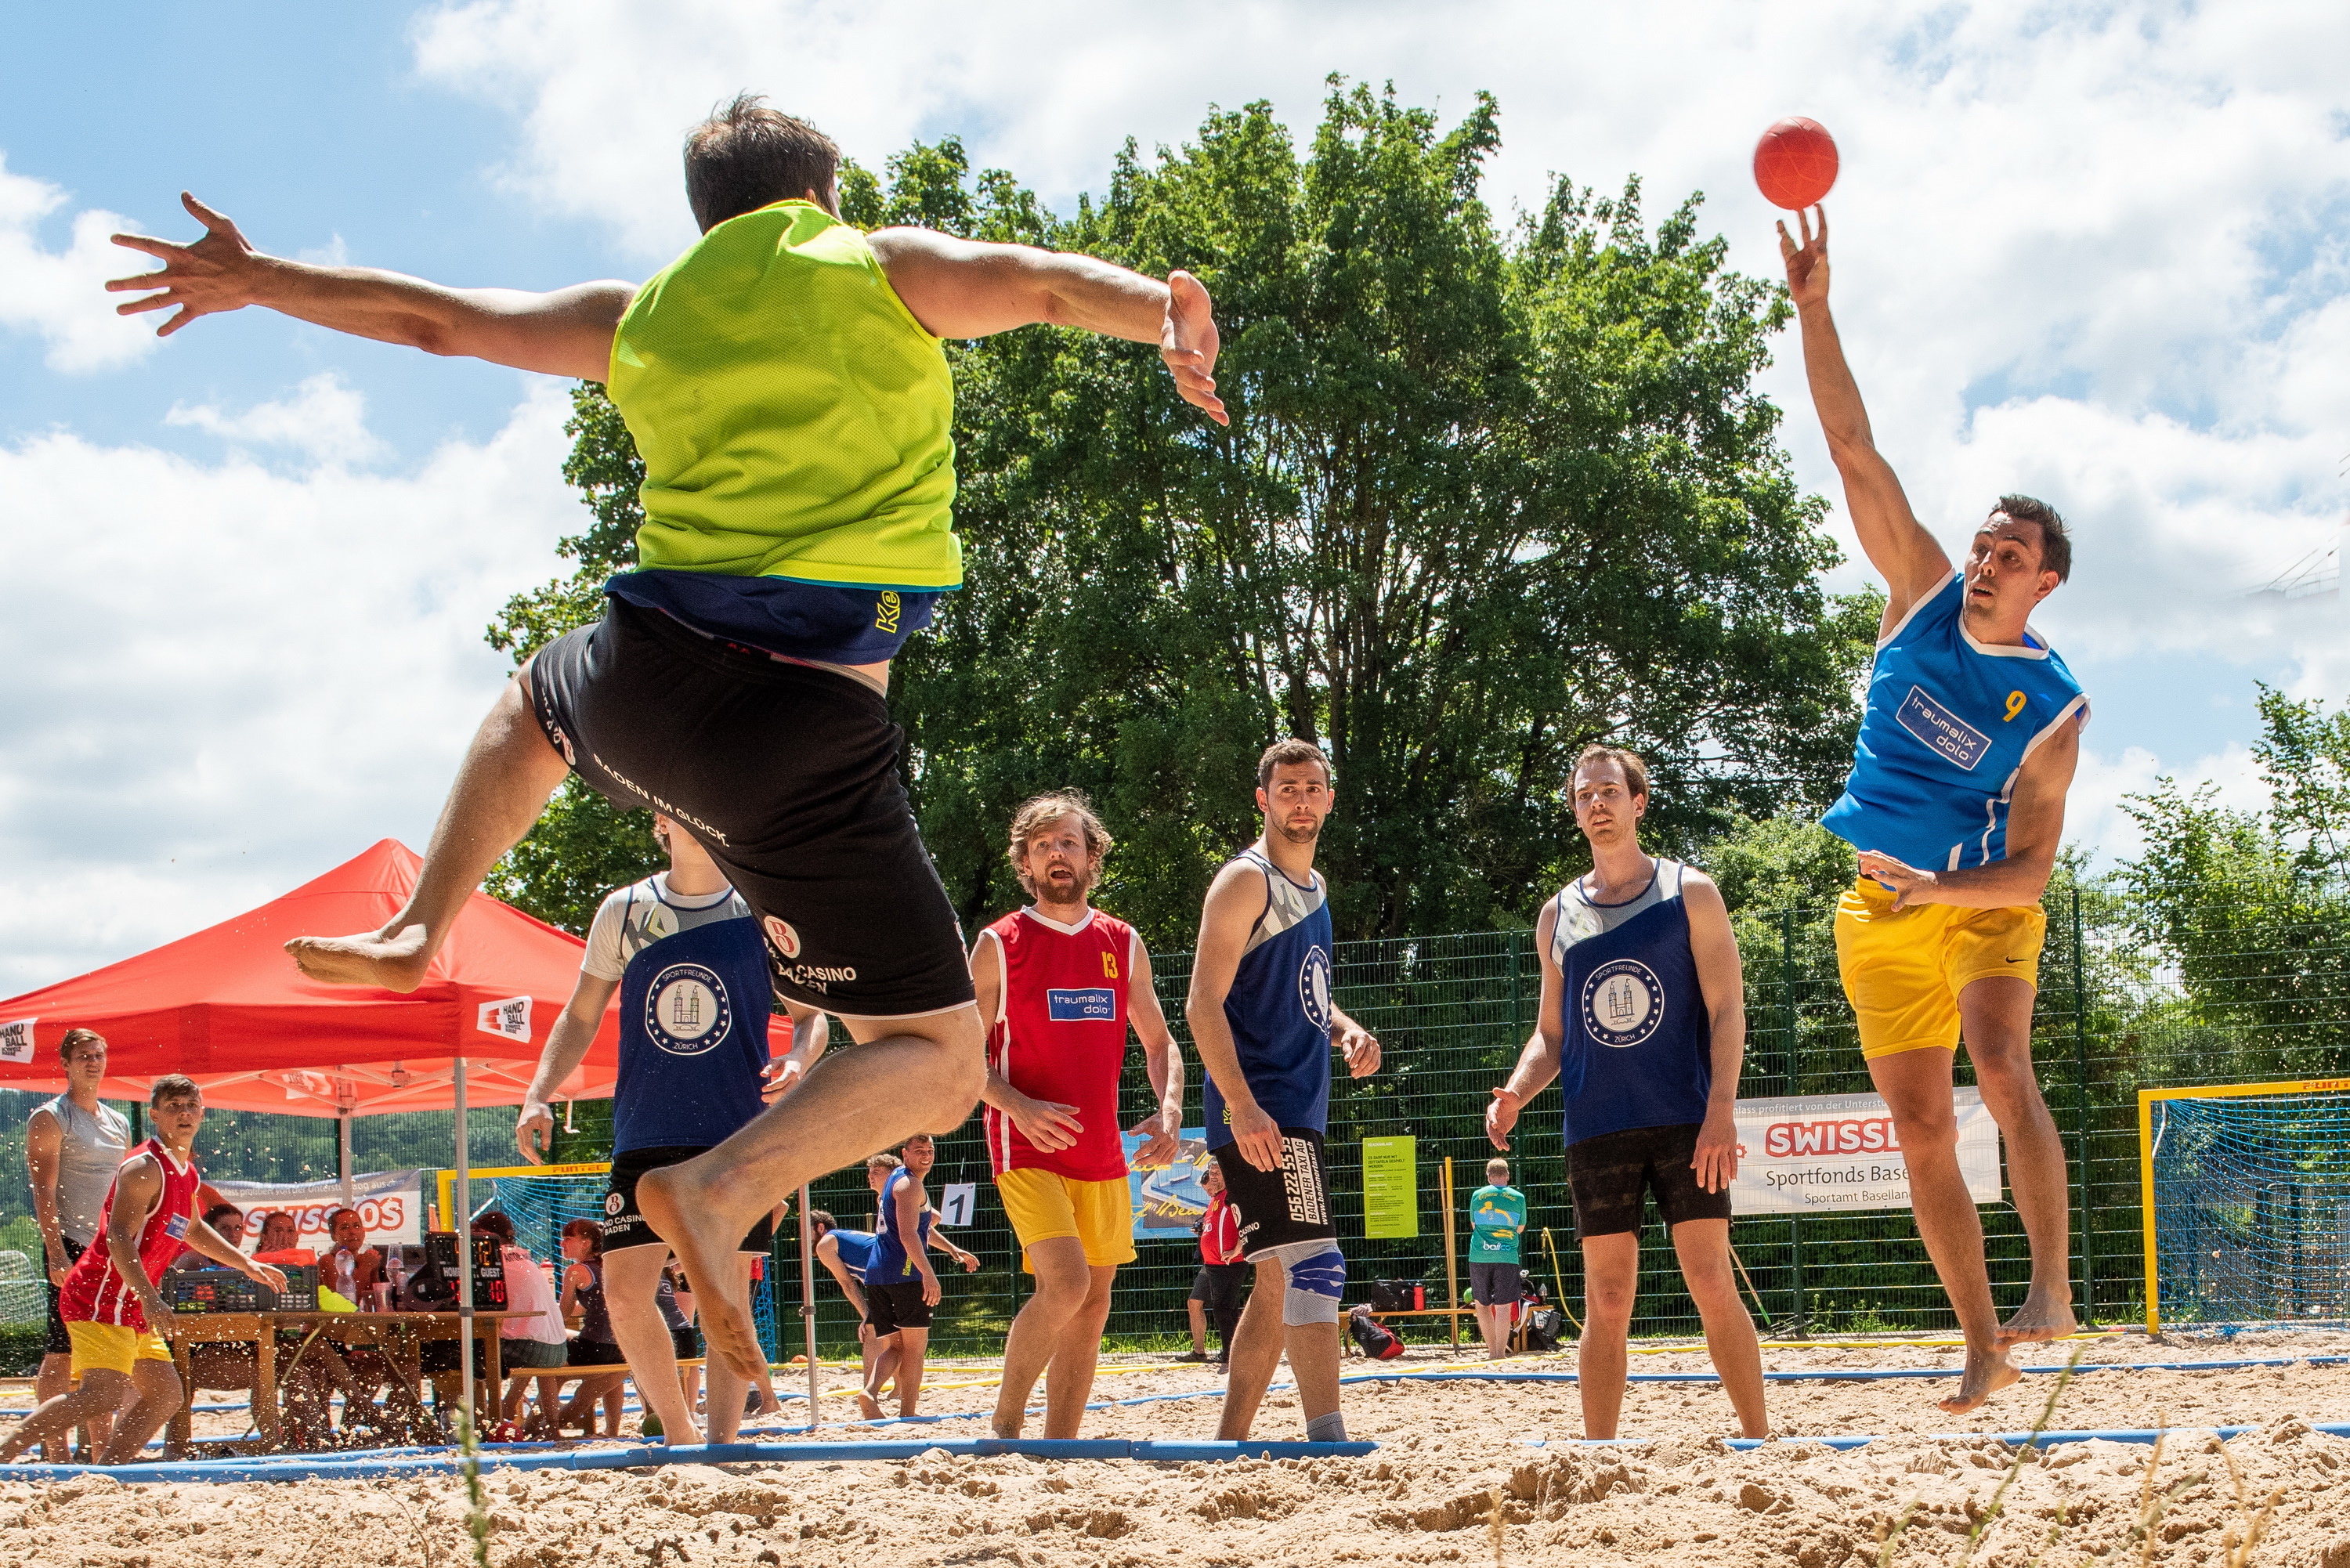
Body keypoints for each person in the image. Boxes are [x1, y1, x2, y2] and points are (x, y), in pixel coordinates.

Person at [110, 98, 1227, 1379]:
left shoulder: (642, 311)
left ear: (703, 215)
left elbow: (439, 321)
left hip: (643, 690)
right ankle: (721, 1187)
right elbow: (1034, 287)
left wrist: (258, 279)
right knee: (932, 1056)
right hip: (803, 729)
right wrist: (1159, 308)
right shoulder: (875, 268)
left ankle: (420, 921)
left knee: (532, 701)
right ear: (824, 192)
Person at [1780, 207, 2087, 1413]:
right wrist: (1815, 306)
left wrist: (1945, 890)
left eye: (2009, 553)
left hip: (1975, 906)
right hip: (1876, 903)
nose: (1985, 558)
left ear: (2045, 579)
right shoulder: (1915, 595)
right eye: (1982, 543)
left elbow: (2031, 876)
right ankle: (1981, 1337)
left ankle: (2051, 1289)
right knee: (1917, 1129)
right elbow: (1853, 446)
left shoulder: (2053, 706)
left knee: (2003, 1062)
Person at [1485, 746, 1768, 1440]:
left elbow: (1729, 1009)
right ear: (1576, 811)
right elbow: (1550, 1035)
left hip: (1685, 1122)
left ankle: (1762, 1441)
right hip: (1597, 1126)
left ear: (1638, 803)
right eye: (1585, 796)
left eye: (1610, 792)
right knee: (1607, 1300)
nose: (1598, 805)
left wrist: (1721, 1113)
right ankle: (1597, 1455)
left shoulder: (1689, 890)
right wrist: (1517, 1093)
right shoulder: (1558, 916)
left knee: (1710, 1283)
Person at [513, 811, 822, 1445]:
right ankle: (680, 1439)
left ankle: (721, 1446)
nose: (698, 810)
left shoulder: (764, 908)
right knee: (625, 1295)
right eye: (683, 800)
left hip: (736, 1134)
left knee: (726, 1300)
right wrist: (538, 1092)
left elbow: (811, 1015)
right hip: (645, 1132)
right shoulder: (623, 911)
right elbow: (579, 1013)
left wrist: (799, 1055)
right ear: (661, 818)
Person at [1185, 739, 1381, 1443]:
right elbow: (1202, 1003)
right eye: (1288, 789)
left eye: (1313, 788)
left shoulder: (1315, 889)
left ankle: (1228, 1442)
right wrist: (1242, 1106)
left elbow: (1305, 997)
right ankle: (1328, 1437)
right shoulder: (1246, 881)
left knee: (1276, 1283)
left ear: (1329, 799)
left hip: (1296, 1108)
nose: (1302, 800)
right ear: (1263, 800)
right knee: (1318, 1267)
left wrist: (1346, 1027)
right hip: (1263, 1109)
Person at [971, 792, 1184, 1439]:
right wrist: (1017, 1104)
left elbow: (1160, 1043)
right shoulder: (997, 945)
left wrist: (1170, 1110)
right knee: (1063, 1287)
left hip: (1100, 1150)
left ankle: (1060, 1447)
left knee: (1092, 1307)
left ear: (1092, 855)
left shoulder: (1122, 941)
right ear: (1026, 865)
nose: (1055, 855)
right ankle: (1004, 1429)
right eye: (1041, 847)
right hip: (1025, 1142)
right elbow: (955, 1057)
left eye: (1067, 842)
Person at [0, 1077, 287, 1465]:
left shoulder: (186, 1173)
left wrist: (246, 1263)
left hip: (130, 1298)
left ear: (202, 1112)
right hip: (100, 1293)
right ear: (154, 1115)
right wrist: (151, 1298)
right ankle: (6, 1453)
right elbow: (118, 1237)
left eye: (190, 1105)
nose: (183, 1112)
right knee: (101, 1394)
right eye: (173, 1106)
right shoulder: (144, 1167)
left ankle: (109, 1471)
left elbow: (194, 1228)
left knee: (166, 1395)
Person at [25, 1027, 135, 1460]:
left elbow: (125, 1190)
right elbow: (43, 1189)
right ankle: (56, 1453)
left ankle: (102, 1451)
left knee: (103, 1353)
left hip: (110, 1248)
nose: (94, 1062)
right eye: (85, 1056)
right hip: (70, 1243)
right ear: (66, 1064)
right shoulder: (51, 1117)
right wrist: (54, 1251)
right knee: (60, 1354)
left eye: (99, 1054)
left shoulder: (118, 1120)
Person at [859, 1139, 978, 1421]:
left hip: (877, 1274)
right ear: (905, 1154)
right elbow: (909, 1234)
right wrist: (928, 1273)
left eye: (930, 1151)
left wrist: (952, 1249)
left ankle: (870, 1392)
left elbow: (919, 1225)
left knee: (896, 1347)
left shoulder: (895, 1182)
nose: (926, 1156)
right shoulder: (910, 1185)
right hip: (905, 1273)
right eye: (919, 1151)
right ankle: (908, 1414)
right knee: (915, 1349)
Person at [478, 1212, 569, 1437]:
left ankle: (490, 1419)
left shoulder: (490, 1259)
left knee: (477, 1355)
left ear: (488, 1235)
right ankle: (553, 1427)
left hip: (531, 1349)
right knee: (526, 1338)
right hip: (558, 1350)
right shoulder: (524, 1257)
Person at [810, 1202, 902, 1418]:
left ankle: (870, 1393)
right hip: (900, 1268)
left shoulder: (825, 1244)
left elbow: (848, 1285)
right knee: (896, 1338)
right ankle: (899, 1388)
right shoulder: (842, 1238)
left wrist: (866, 1316)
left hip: (889, 1273)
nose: (802, 1237)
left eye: (806, 1230)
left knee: (871, 1334)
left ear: (820, 1228)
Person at [553, 1219, 624, 1437]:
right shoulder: (611, 1264)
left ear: (585, 1243)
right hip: (620, 1348)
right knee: (611, 1378)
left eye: (567, 1239)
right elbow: (590, 1307)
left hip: (594, 1349)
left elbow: (563, 1314)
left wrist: (544, 1315)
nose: (561, 1244)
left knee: (550, 1369)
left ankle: (546, 1425)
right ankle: (612, 1429)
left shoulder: (575, 1270)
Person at [1466, 1158, 1528, 1362]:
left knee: (1481, 1305)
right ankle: (1500, 1354)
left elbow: (1474, 1225)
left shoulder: (1477, 1195)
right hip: (1506, 1256)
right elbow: (1520, 1228)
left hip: (1479, 1255)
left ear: (1489, 1176)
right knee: (1503, 1307)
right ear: (1508, 1176)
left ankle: (1491, 1352)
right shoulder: (1518, 1197)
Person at [1187, 1162, 1246, 1370]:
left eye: (1217, 1172)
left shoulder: (1232, 1195)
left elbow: (1245, 1224)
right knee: (1224, 1309)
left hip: (1227, 1263)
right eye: (1211, 1172)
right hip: (1214, 1264)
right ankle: (1229, 1351)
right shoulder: (1215, 1199)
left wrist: (1237, 1249)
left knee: (1224, 1309)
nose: (1212, 1176)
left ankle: (1231, 1353)